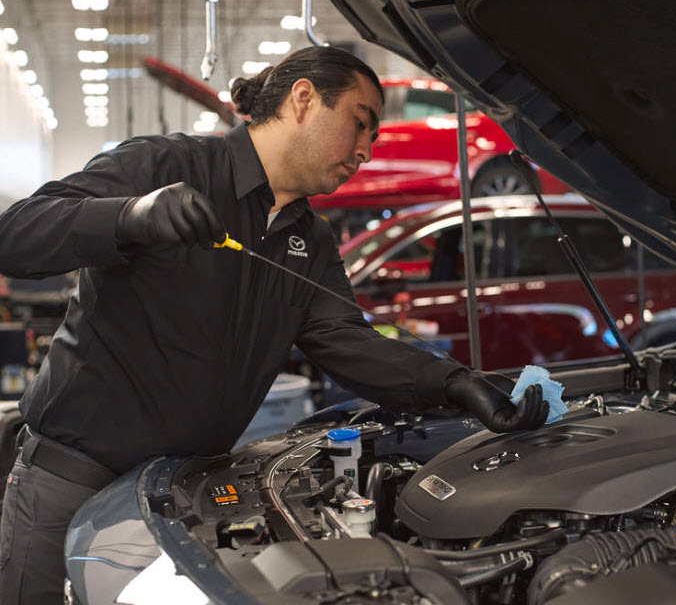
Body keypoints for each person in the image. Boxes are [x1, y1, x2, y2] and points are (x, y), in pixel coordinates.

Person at [0, 46, 548, 603]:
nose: (365, 149)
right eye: (360, 124)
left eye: (373, 138)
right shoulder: (162, 165)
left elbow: (347, 341)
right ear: (304, 99)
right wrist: (128, 217)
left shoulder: (310, 242)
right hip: (70, 483)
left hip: (179, 499)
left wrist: (455, 384)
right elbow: (14, 235)